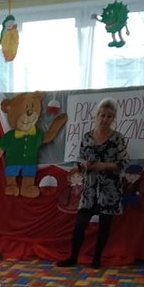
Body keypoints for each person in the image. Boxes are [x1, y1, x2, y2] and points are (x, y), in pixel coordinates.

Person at [57, 98, 129, 269]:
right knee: (80, 225)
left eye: (109, 116)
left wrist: (103, 166)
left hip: (109, 190)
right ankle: (73, 257)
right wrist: (84, 164)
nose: (105, 119)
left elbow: (124, 163)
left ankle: (96, 259)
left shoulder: (117, 138)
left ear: (113, 119)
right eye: (102, 115)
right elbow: (79, 159)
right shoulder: (87, 137)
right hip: (89, 188)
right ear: (97, 116)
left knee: (104, 226)